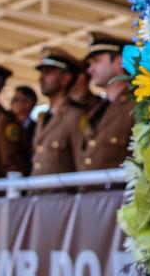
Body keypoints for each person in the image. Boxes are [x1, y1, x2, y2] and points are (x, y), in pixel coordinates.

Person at [77, 32, 135, 170]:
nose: (90, 70)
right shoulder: (97, 109)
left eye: (96, 61)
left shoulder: (136, 104)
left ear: (119, 62)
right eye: (89, 64)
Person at [31, 47, 86, 175]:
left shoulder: (76, 116)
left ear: (66, 78)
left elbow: (81, 162)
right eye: (41, 73)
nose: (41, 78)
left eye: (48, 72)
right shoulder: (43, 117)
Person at [11, 85, 38, 164]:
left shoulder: (37, 128)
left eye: (15, 99)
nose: (11, 103)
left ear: (28, 103)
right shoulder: (5, 126)